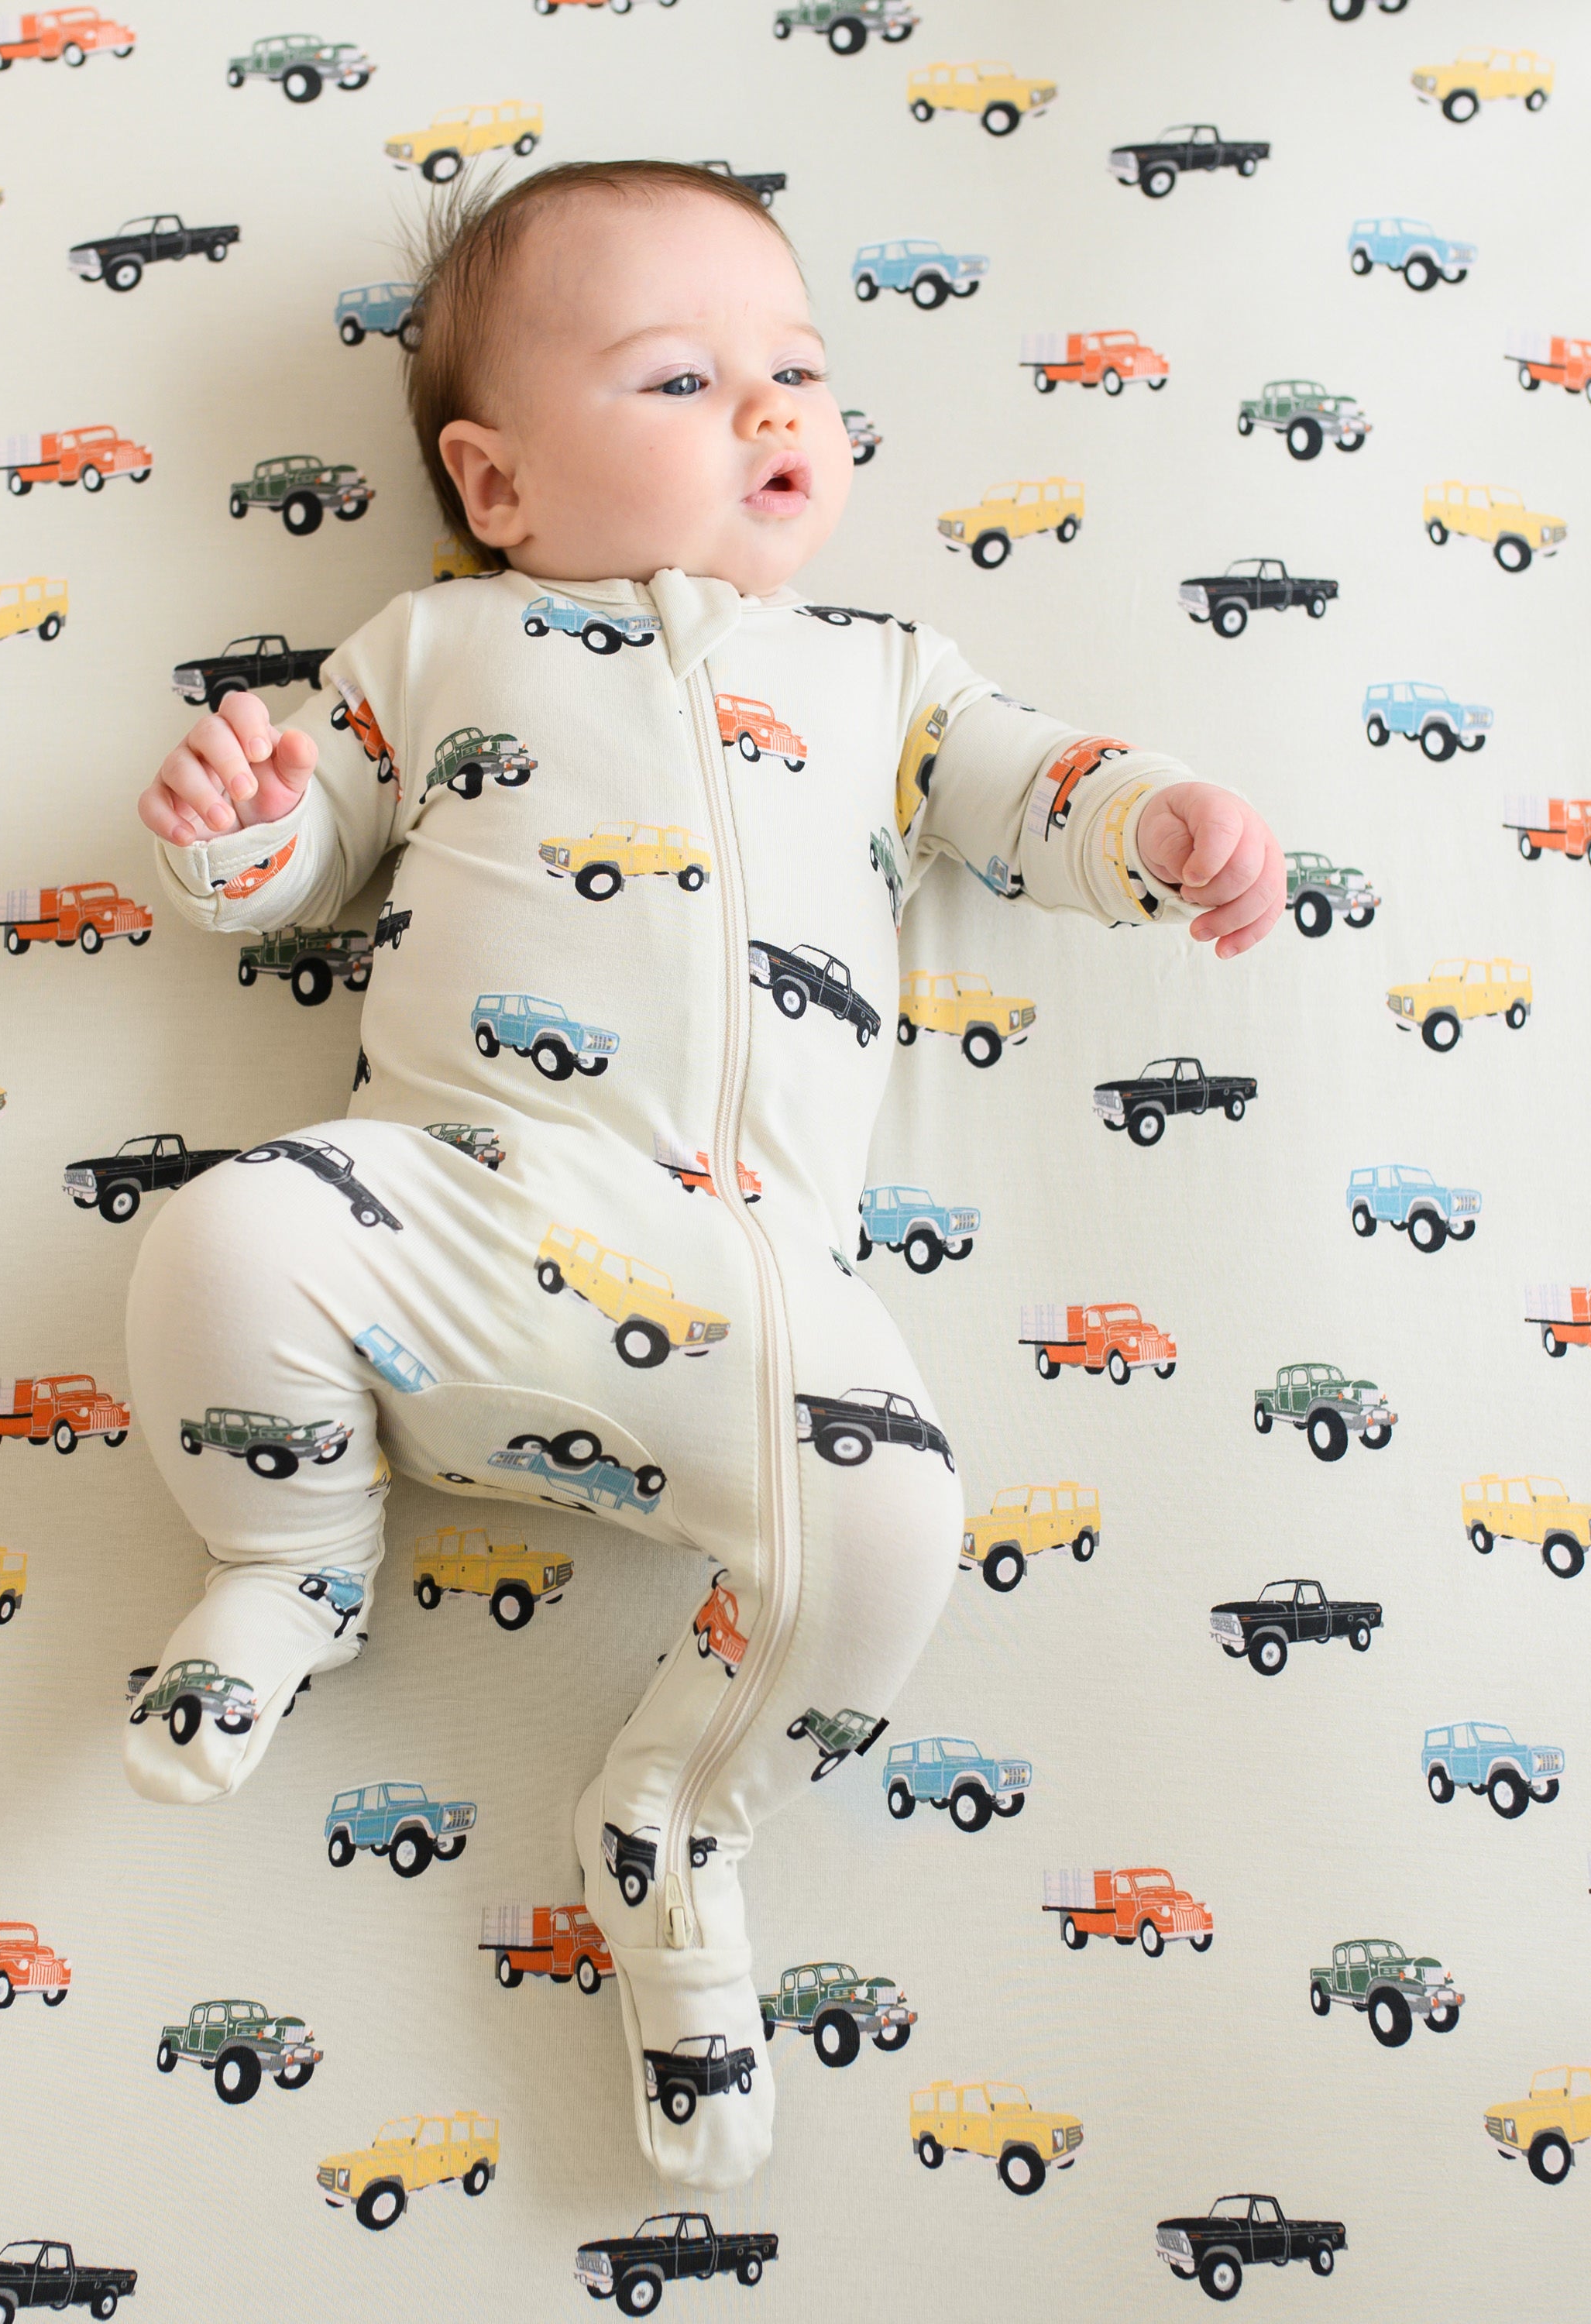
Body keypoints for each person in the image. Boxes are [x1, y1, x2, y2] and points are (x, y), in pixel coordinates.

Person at [128, 157, 1283, 2188]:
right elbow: (296, 860)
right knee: (225, 1241)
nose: (768, 411)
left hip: (748, 1292)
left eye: (798, 371)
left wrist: (1164, 820)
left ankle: (673, 1816)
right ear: (496, 486)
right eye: (680, 378)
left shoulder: (879, 667)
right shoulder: (437, 643)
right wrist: (234, 822)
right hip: (451, 1202)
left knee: (899, 1517)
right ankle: (290, 1555)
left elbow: (1030, 787)